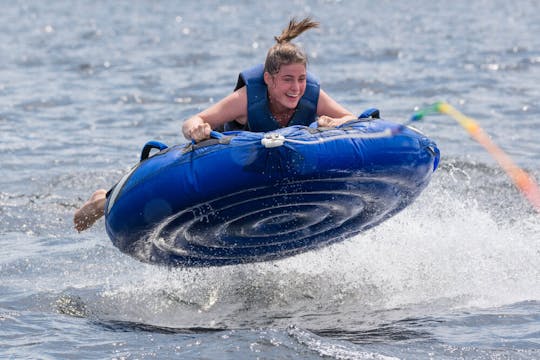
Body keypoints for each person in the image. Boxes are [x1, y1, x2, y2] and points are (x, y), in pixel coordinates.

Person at [74, 17, 356, 232]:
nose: (296, 88)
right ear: (269, 80)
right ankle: (103, 200)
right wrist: (197, 129)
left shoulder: (311, 95)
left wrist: (334, 121)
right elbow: (194, 121)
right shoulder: (247, 98)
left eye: (301, 79)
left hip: (275, 166)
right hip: (228, 164)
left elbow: (354, 120)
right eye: (287, 80)